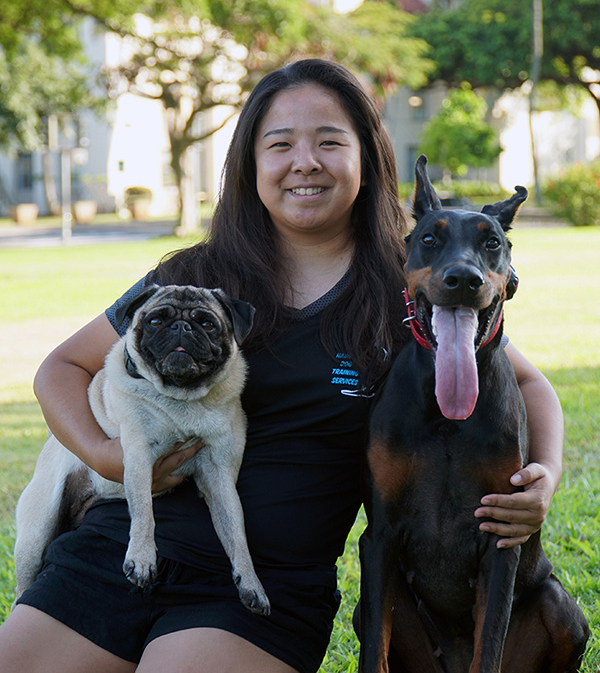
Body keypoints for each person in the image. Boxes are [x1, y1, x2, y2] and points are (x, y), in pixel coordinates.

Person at [0, 59, 563, 673]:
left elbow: (528, 382)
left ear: (368, 159)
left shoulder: (403, 289)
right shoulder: (194, 276)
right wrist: (104, 455)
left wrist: (545, 475)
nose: (305, 162)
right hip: (120, 551)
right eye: (280, 144)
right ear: (251, 163)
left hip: (263, 588)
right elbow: (61, 368)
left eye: (329, 141)